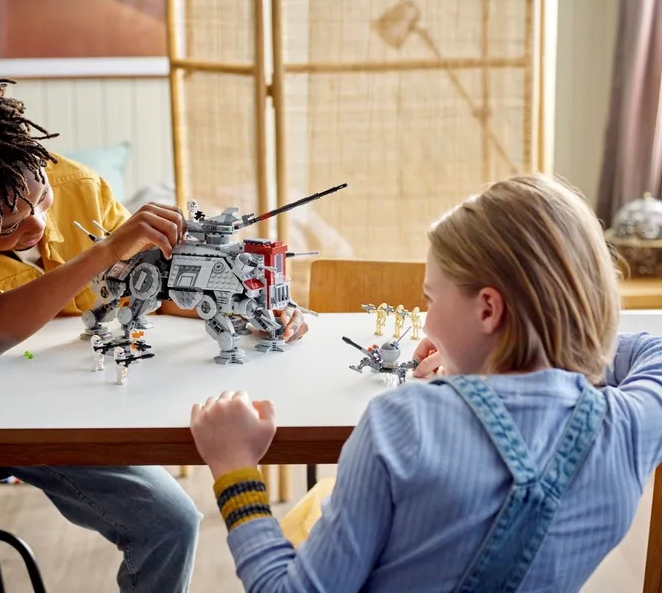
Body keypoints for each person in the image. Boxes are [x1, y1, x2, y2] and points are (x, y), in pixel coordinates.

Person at [0, 72, 306, 592]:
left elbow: (151, 288)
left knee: (169, 523)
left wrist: (250, 312)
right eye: (7, 226)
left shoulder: (78, 185)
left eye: (40, 198)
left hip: (39, 400)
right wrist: (106, 250)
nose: (36, 226)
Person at [189, 174, 662, 592]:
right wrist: (545, 334)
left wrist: (235, 467)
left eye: (432, 298)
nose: (428, 322)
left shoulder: (401, 425)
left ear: (488, 309)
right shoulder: (630, 428)